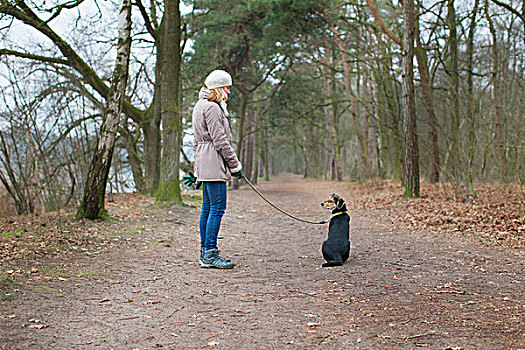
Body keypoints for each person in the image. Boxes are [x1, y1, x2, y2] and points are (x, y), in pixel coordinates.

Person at [183, 69, 243, 269]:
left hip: (205, 163)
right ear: (218, 88)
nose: (228, 91)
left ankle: (205, 252)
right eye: (226, 87)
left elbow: (196, 142)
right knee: (217, 208)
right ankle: (209, 253)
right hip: (214, 164)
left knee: (208, 209)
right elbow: (221, 141)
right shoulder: (213, 108)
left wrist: (197, 170)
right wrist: (235, 166)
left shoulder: (200, 105)